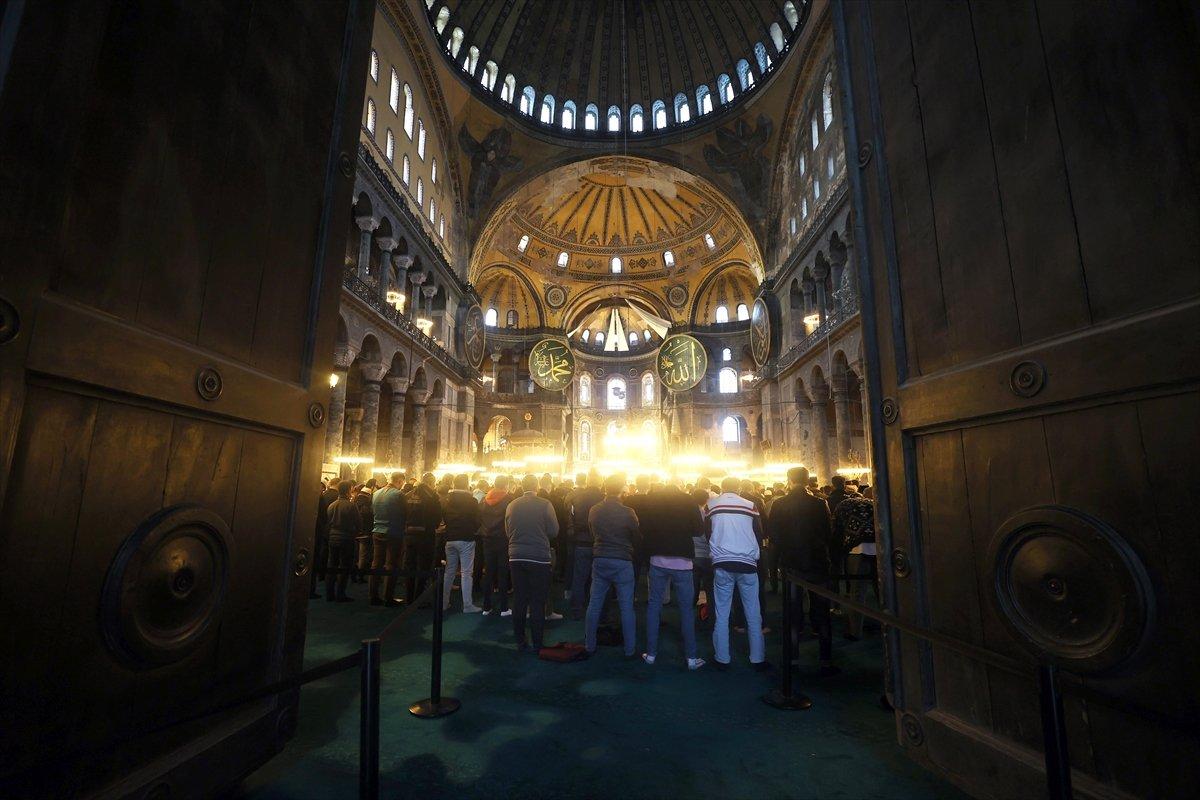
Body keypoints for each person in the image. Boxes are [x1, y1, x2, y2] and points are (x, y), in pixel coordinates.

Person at [768, 466, 839, 676]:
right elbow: (828, 533)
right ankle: (825, 660)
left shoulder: (780, 504)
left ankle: (793, 660)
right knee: (822, 612)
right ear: (808, 481)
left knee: (793, 613)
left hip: (791, 564)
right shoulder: (819, 503)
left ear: (789, 480)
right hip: (817, 563)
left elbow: (774, 535)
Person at [639, 479, 705, 669]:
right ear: (680, 487)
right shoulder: (688, 501)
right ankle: (691, 658)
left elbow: (643, 528)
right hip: (682, 562)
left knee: (654, 606)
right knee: (686, 609)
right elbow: (699, 530)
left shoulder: (651, 500)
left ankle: (651, 654)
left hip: (657, 559)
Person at [705, 476, 767, 670]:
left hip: (722, 562)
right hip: (748, 562)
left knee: (722, 612)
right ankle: (757, 658)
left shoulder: (712, 505)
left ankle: (722, 658)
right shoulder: (750, 505)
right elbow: (759, 533)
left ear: (723, 488)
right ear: (739, 488)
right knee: (753, 612)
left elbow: (708, 533)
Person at [585, 475, 640, 657]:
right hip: (622, 560)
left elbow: (593, 532)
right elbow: (635, 535)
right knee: (626, 607)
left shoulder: (594, 510)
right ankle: (629, 649)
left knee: (594, 604)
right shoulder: (628, 512)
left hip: (600, 558)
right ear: (622, 489)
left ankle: (590, 645)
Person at [504, 474, 559, 652]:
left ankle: (520, 641)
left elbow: (507, 530)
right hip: (539, 557)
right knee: (537, 601)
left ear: (521, 485)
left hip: (516, 556)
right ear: (536, 487)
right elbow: (554, 531)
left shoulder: (512, 505)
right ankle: (537, 643)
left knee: (519, 599)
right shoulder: (545, 504)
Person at [834, 489, 877, 639]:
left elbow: (837, 530)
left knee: (857, 592)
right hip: (880, 549)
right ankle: (889, 627)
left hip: (857, 550)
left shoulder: (844, 505)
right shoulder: (873, 503)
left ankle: (855, 631)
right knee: (884, 591)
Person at [442, 473, 483, 613]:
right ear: (466, 484)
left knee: (449, 572)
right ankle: (467, 605)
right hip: (466, 538)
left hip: (450, 538)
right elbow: (477, 519)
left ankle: (443, 603)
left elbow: (445, 517)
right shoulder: (471, 501)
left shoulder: (448, 500)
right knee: (466, 573)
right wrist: (473, 529)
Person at [368, 471, 407, 606]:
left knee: (376, 563)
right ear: (400, 481)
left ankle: (373, 595)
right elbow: (405, 513)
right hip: (393, 532)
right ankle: (388, 597)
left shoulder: (376, 493)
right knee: (392, 564)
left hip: (377, 531)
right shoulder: (399, 494)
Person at [569, 472, 604, 620]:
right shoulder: (604, 498)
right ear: (600, 482)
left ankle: (576, 609)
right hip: (599, 543)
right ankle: (598, 610)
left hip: (581, 541)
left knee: (579, 578)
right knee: (599, 579)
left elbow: (570, 518)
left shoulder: (576, 497)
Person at [403, 472, 442, 606]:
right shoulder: (432, 497)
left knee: (410, 566)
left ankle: (409, 598)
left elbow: (403, 514)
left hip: (409, 534)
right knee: (424, 567)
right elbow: (437, 518)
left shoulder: (407, 495)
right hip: (425, 536)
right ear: (431, 483)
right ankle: (419, 598)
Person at [479, 475, 513, 615]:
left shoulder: (484, 500)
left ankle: (486, 606)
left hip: (487, 538)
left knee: (489, 572)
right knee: (503, 573)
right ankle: (504, 607)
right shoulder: (509, 500)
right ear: (506, 485)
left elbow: (478, 517)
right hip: (503, 539)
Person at [324, 480, 359, 603]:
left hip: (333, 538)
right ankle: (340, 593)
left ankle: (329, 593)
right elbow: (358, 523)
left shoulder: (332, 505)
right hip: (346, 538)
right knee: (344, 566)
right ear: (348, 490)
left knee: (332, 565)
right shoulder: (350, 506)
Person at [351, 483, 374, 583]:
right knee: (363, 555)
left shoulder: (354, 501)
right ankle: (360, 575)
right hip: (365, 532)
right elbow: (368, 518)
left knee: (355, 554)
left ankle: (353, 574)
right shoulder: (366, 505)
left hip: (355, 531)